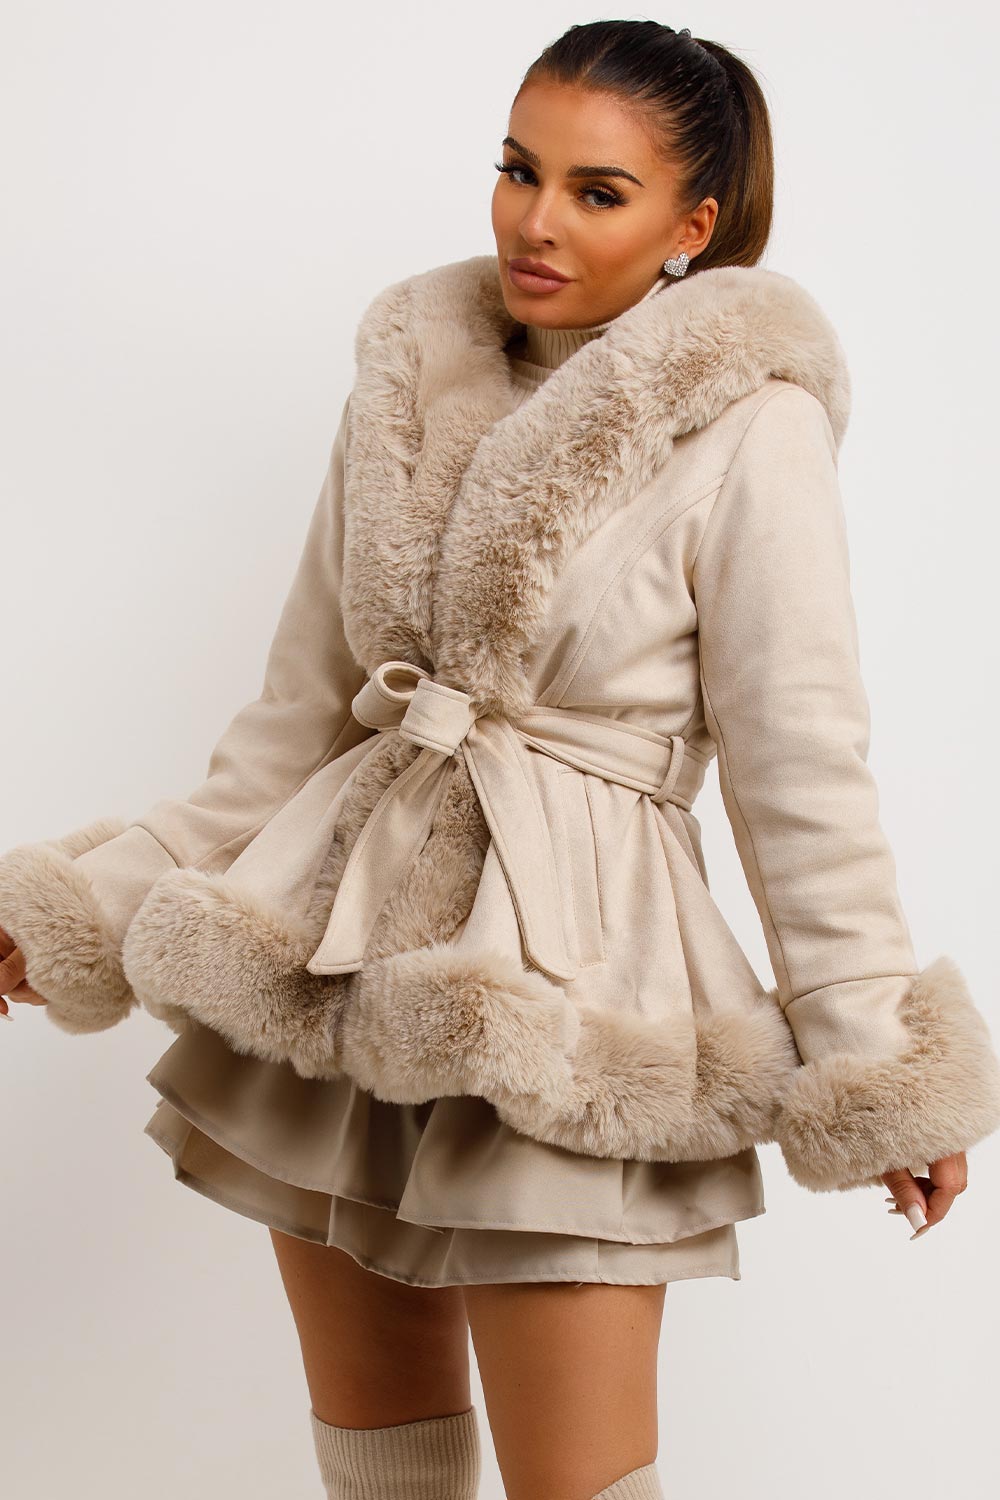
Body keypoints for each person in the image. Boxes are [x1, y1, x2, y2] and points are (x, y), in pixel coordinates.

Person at [3, 19, 999, 1500]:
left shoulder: (754, 427)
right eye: (519, 169)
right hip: (343, 960)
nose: (537, 220)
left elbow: (804, 764)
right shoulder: (407, 380)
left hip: (581, 986)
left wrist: (870, 1055)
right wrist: (84, 904)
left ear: (694, 226)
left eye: (599, 191)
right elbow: (297, 721)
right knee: (382, 1474)